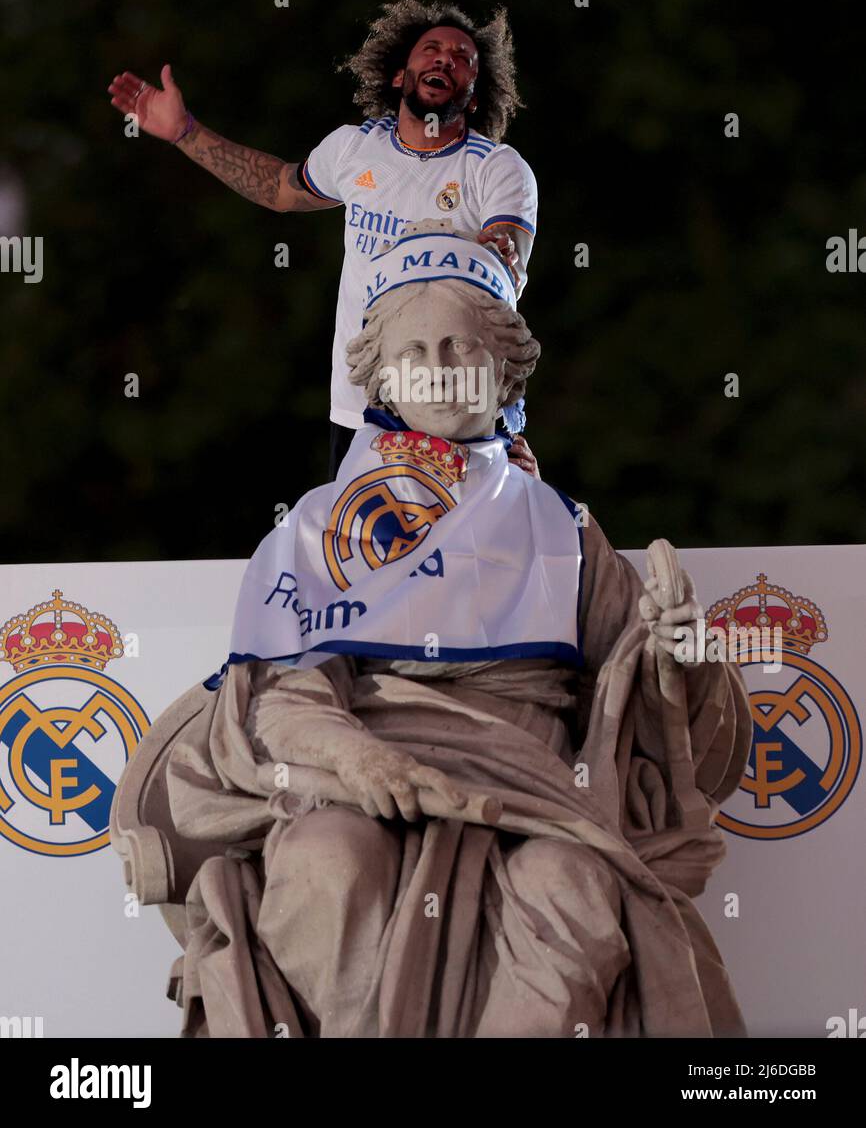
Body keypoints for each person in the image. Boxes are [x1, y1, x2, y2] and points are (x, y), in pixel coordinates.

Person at [140, 224, 752, 1038]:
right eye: (417, 349)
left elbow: (641, 705)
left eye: (463, 348)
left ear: (502, 370)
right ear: (380, 375)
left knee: (573, 885)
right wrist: (360, 759)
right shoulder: (319, 525)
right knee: (328, 862)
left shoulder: (562, 528)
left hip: (532, 794)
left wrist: (682, 657)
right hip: (360, 773)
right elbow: (281, 699)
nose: (440, 368)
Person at [107, 0, 539, 478]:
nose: (444, 59)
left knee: (467, 550)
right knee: (365, 549)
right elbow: (277, 187)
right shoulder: (353, 149)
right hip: (363, 413)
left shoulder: (497, 167)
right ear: (399, 76)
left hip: (456, 407)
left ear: (474, 96)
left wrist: (496, 253)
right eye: (431, 49)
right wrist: (185, 132)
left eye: (462, 58)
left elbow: (503, 261)